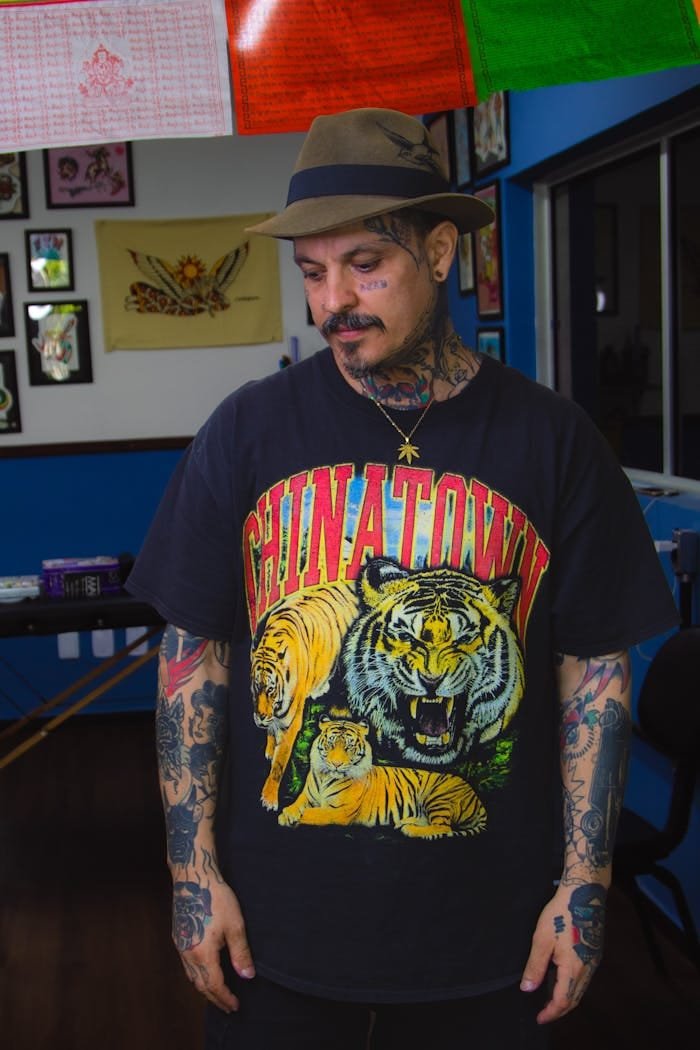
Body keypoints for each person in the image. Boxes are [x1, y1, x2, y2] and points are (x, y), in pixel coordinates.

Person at [126, 107, 679, 1049]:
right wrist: (192, 875)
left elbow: (593, 672)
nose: (333, 300)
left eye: (365, 265)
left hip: (494, 937)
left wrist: (584, 885)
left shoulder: (552, 441)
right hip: (277, 933)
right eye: (311, 272)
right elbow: (195, 657)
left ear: (440, 251)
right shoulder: (246, 433)